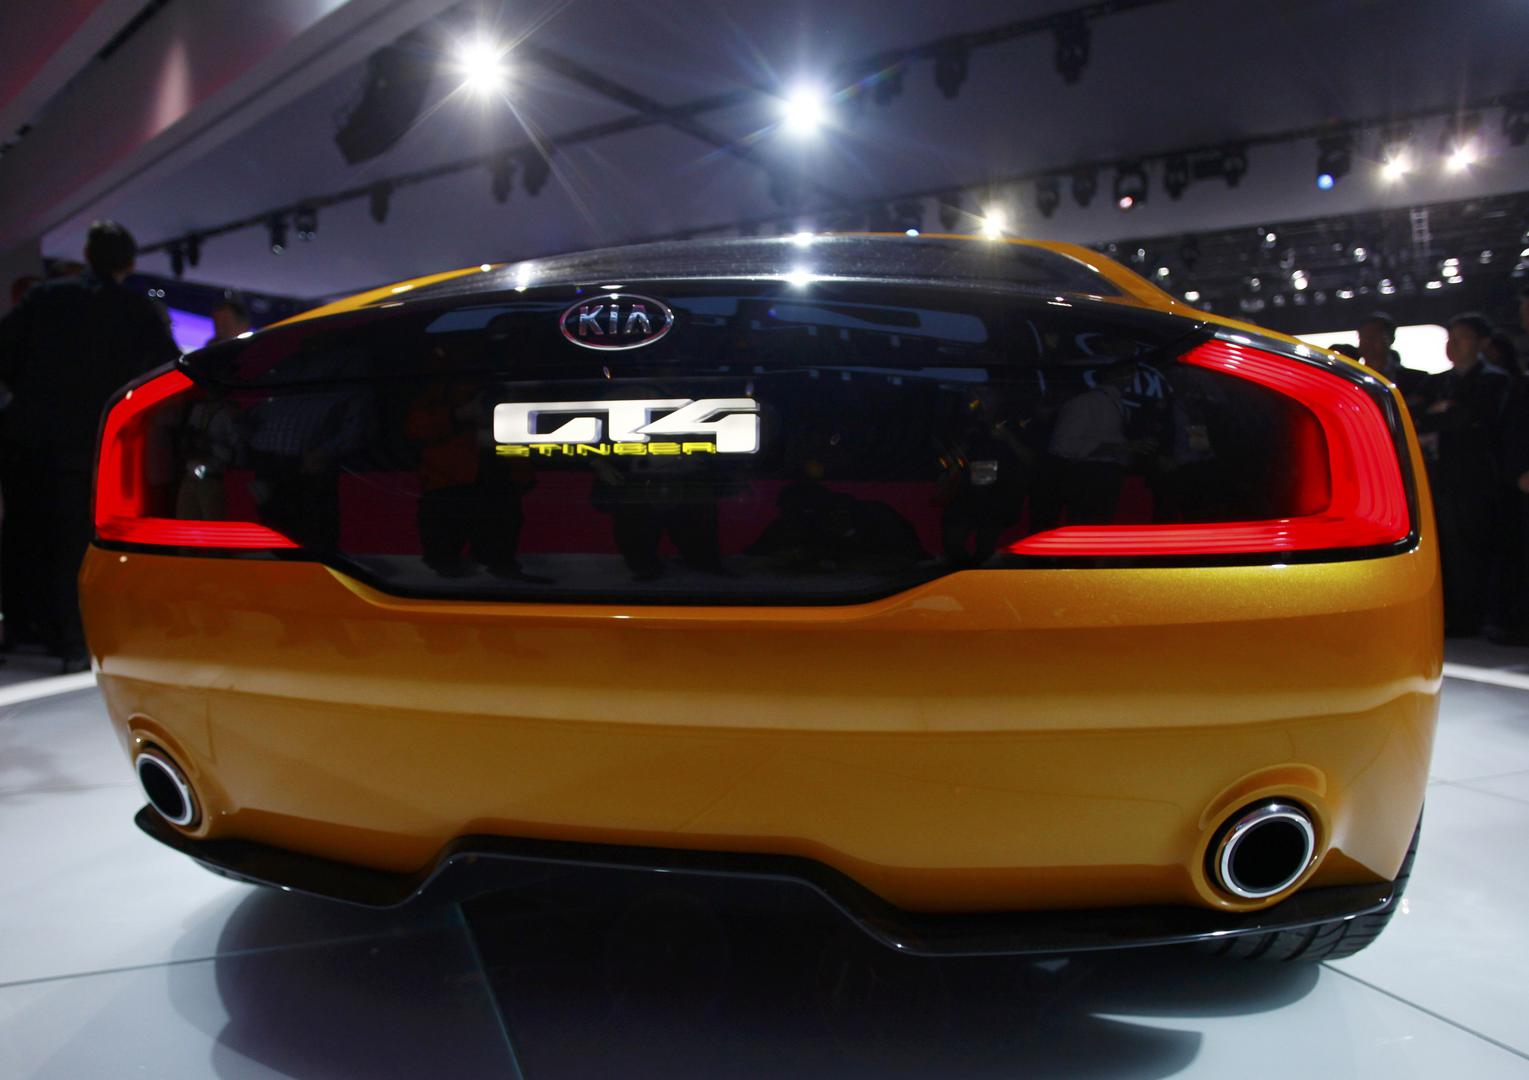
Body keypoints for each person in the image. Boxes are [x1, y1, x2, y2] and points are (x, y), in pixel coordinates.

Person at [0, 221, 178, 669]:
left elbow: (4, 353)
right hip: (88, 441)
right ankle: (73, 641)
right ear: (130, 263)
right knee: (74, 539)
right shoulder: (135, 310)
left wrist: (30, 392)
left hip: (25, 436)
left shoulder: (44, 297)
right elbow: (165, 371)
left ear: (86, 254)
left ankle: (21, 630)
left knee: (22, 531)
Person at [1413, 313, 1511, 636]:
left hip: (1476, 478)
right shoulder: (1437, 381)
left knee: (1475, 547)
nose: (1453, 344)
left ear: (1482, 343)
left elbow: (1471, 419)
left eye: (1462, 338)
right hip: (1440, 477)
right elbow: (1418, 417)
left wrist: (1442, 415)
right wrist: (1445, 415)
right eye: (1450, 338)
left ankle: (1475, 616)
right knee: (1447, 548)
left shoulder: (1494, 380)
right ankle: (1454, 615)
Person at [1356, 312, 1425, 401]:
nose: (1367, 343)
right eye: (1362, 338)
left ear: (1391, 339)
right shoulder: (1352, 378)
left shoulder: (1416, 380)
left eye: (1374, 338)